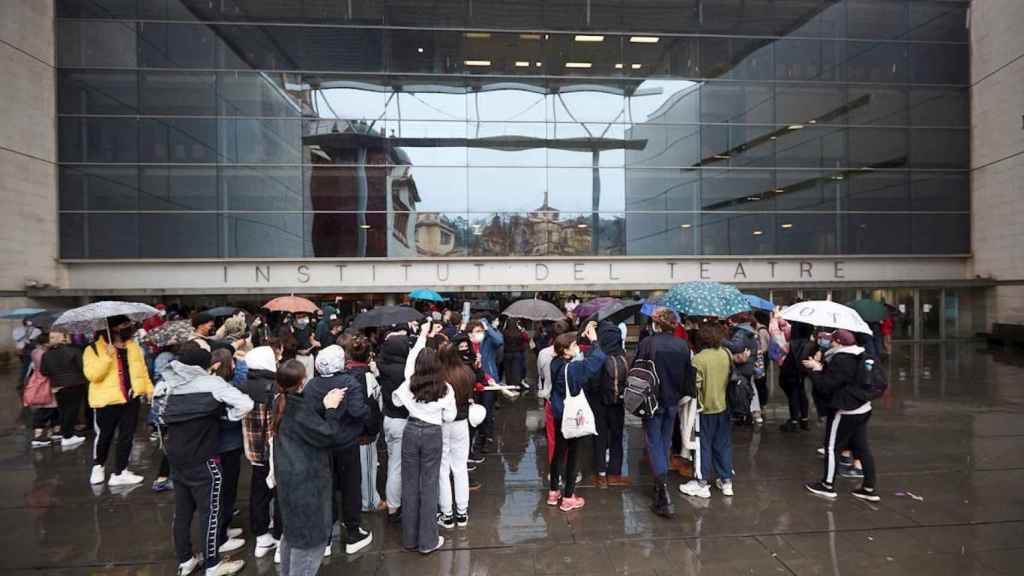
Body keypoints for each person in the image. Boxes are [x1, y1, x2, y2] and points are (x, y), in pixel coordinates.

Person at [155, 342, 253, 576]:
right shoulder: (212, 384)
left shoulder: (166, 384)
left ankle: (186, 560)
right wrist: (224, 415)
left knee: (182, 512)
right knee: (210, 512)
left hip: (176, 456)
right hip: (204, 456)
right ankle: (213, 564)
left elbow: (158, 415)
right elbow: (245, 404)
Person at [272, 360, 346, 576]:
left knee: (292, 536)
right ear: (302, 382)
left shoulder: (281, 402)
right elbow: (328, 434)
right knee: (309, 544)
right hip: (307, 487)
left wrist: (322, 405)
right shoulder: (297, 410)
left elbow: (306, 427)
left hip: (290, 483)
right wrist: (331, 408)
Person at [391, 323, 457, 554]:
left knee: (409, 484)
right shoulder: (446, 388)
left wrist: (421, 337)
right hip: (432, 434)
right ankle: (428, 541)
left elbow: (396, 401)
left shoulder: (410, 383)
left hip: (411, 431)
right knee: (429, 486)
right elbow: (451, 416)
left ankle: (409, 539)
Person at [304, 345, 372, 556]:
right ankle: (352, 532)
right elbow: (357, 410)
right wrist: (369, 410)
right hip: (346, 443)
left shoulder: (311, 385)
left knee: (326, 488)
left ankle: (325, 538)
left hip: (321, 444)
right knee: (351, 487)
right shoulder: (349, 382)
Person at [803, 330, 879, 502]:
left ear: (838, 342)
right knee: (863, 448)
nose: (829, 343)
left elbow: (826, 386)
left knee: (831, 447)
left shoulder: (841, 359)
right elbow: (842, 379)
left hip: (844, 410)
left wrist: (815, 370)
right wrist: (822, 367)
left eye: (832, 340)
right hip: (863, 407)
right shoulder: (861, 355)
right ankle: (869, 487)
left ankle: (827, 485)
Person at [635, 309, 693, 517]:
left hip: (652, 399)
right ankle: (662, 486)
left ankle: (662, 490)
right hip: (672, 401)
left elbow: (638, 372)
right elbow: (688, 376)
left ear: (656, 324)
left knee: (654, 442)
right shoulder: (683, 345)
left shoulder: (647, 344)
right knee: (665, 441)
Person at [83, 315, 154, 486]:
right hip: (106, 402)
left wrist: (149, 390)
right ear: (114, 327)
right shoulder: (92, 349)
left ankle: (120, 472)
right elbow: (93, 376)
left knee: (126, 436)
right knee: (104, 436)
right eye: (124, 324)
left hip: (130, 399)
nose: (128, 327)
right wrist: (107, 357)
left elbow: (142, 371)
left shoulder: (133, 346)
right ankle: (98, 466)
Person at [547, 322, 605, 512]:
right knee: (574, 455)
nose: (578, 347)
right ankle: (569, 497)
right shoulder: (573, 369)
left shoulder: (555, 362)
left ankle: (553, 492)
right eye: (574, 346)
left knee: (558, 453)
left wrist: (583, 333)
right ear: (565, 350)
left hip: (557, 413)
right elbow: (597, 360)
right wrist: (595, 342)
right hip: (571, 416)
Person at [680, 323, 735, 500]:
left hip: (704, 410)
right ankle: (726, 481)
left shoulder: (698, 359)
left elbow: (694, 386)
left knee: (703, 446)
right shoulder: (726, 353)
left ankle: (702, 483)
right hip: (723, 406)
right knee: (723, 445)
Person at [238, 343, 283, 560]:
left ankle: (261, 537)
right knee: (280, 493)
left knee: (258, 494)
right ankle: (281, 537)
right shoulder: (275, 387)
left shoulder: (242, 385)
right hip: (276, 451)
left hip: (254, 452)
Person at [436, 338, 475, 528]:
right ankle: (462, 512)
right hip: (461, 423)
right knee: (460, 467)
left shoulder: (437, 376)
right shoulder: (466, 373)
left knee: (442, 468)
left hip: (442, 423)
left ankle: (446, 513)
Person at [343, 336, 385, 513]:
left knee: (352, 469)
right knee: (367, 467)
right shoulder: (367, 376)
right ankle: (369, 502)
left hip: (346, 430)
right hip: (364, 431)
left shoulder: (344, 374)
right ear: (369, 356)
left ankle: (354, 499)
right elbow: (377, 403)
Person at [589, 321, 631, 489]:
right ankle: (615, 474)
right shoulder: (623, 355)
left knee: (599, 437)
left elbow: (590, 381)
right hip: (618, 403)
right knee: (617, 436)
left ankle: (600, 475)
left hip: (598, 402)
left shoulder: (597, 355)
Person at [376, 325, 410, 523]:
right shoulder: (406, 371)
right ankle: (394, 507)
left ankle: (393, 505)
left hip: (388, 420)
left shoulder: (384, 366)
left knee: (392, 464)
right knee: (398, 468)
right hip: (402, 421)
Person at [41, 330, 89, 448]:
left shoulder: (46, 354)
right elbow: (82, 367)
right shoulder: (74, 351)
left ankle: (67, 434)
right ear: (63, 338)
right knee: (72, 411)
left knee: (63, 410)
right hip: (74, 384)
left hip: (57, 386)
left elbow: (44, 371)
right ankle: (67, 436)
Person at [467, 318, 503, 455]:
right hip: (472, 383)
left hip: (489, 381)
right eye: (476, 331)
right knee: (474, 413)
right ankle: (475, 439)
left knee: (487, 411)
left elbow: (499, 341)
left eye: (480, 331)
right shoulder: (467, 344)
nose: (479, 333)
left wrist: (487, 328)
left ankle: (486, 438)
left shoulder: (488, 340)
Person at [779, 322, 815, 432]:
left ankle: (794, 421)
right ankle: (804, 419)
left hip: (790, 371)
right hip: (803, 371)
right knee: (802, 393)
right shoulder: (811, 344)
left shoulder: (791, 343)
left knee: (793, 395)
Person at [291, 313, 320, 380]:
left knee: (310, 377)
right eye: (299, 317)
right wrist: (298, 351)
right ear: (294, 319)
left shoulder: (307, 327)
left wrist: (315, 343)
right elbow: (290, 345)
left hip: (309, 355)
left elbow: (311, 340)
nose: (302, 318)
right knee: (300, 378)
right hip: (299, 357)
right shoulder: (292, 330)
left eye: (304, 316)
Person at [501, 318, 528, 390]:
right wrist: (522, 330)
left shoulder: (504, 332)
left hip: (507, 354)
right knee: (516, 370)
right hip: (517, 353)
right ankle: (515, 385)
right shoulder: (519, 333)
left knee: (508, 371)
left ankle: (509, 384)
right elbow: (526, 339)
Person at [14, 318, 42, 384]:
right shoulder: (17, 330)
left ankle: (26, 380)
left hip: (32, 350)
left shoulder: (37, 330)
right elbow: (17, 339)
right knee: (26, 365)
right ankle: (24, 380)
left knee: (29, 365)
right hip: (21, 350)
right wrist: (26, 334)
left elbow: (38, 340)